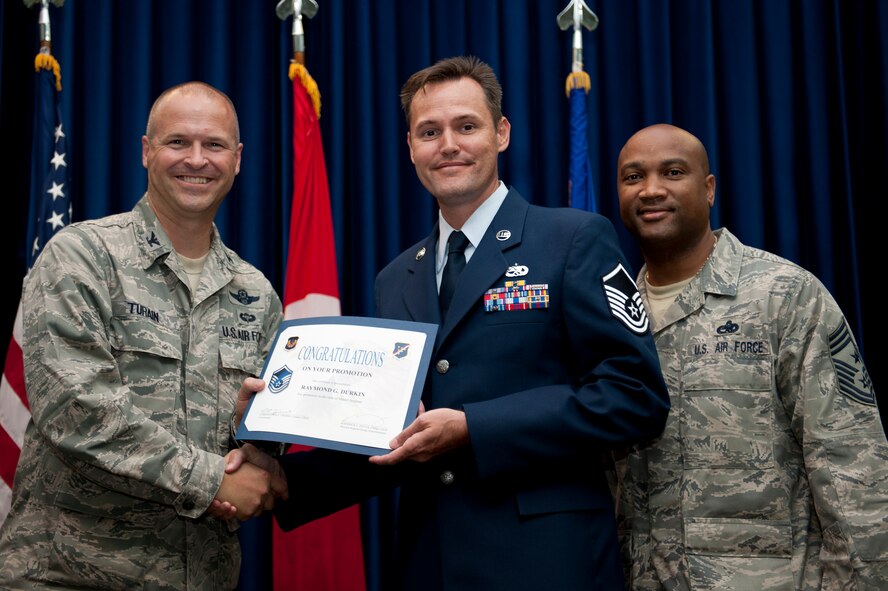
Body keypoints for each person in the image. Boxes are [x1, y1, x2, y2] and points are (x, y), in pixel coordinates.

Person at [227, 55, 669, 590]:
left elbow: (633, 395)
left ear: (501, 133)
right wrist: (284, 476)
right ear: (410, 147)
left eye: (467, 126)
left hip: (548, 560)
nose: (449, 145)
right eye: (429, 131)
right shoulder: (396, 278)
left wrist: (472, 428)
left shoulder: (574, 239)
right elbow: (392, 434)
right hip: (429, 560)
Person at [0, 81, 287, 590]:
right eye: (178, 142)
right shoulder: (82, 256)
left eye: (214, 145)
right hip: (70, 575)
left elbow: (259, 431)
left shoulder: (255, 293)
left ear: (237, 159)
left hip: (202, 576)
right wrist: (212, 478)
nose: (197, 159)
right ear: (146, 151)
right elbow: (77, 409)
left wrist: (262, 449)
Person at [612, 123, 888, 590]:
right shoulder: (611, 314)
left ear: (709, 188)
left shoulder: (784, 295)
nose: (651, 190)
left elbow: (853, 466)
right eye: (633, 177)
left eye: (673, 172)